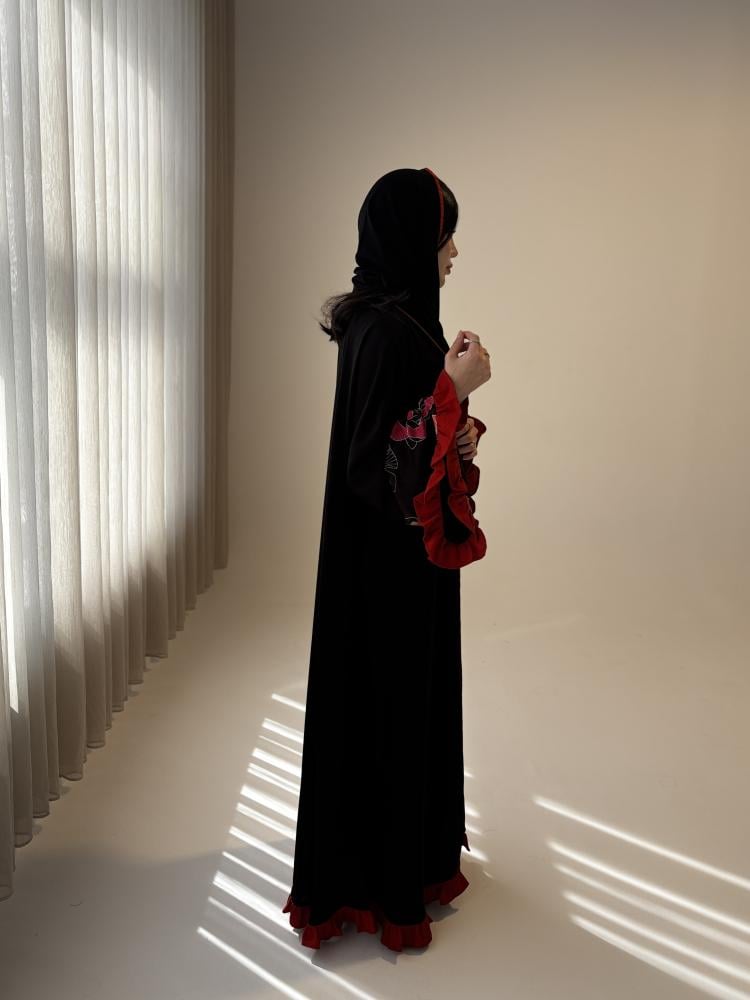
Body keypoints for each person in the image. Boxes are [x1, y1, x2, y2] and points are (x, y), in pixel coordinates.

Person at [282, 167, 492, 952]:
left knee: (408, 704)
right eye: (444, 237)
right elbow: (375, 470)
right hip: (383, 574)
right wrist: (452, 389)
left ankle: (409, 859)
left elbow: (414, 441)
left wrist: (454, 409)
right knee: (390, 707)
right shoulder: (383, 332)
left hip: (404, 567)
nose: (454, 253)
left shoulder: (395, 322)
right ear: (411, 241)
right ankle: (377, 884)